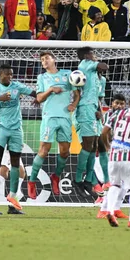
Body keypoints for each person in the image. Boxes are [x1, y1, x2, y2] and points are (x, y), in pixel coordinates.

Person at [0, 64, 36, 212]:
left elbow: (35, 93)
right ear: (0, 74)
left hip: (17, 130)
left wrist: (43, 96)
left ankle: (12, 196)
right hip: (1, 131)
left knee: (16, 163)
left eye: (11, 74)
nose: (10, 77)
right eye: (7, 74)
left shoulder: (17, 86)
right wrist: (0, 98)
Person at [27, 51, 80, 200]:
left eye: (46, 58)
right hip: (49, 117)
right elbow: (39, 98)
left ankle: (56, 177)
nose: (44, 61)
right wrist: (50, 90)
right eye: (42, 60)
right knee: (44, 150)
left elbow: (77, 93)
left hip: (64, 117)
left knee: (64, 152)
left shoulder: (67, 74)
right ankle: (32, 181)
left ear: (54, 59)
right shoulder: (42, 77)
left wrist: (74, 104)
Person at [100, 92, 130, 228]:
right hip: (129, 157)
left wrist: (109, 146)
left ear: (129, 103)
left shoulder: (116, 114)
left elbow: (103, 132)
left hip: (113, 155)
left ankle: (109, 211)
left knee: (114, 185)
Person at [73, 46, 108, 198]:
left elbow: (99, 98)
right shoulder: (85, 64)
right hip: (84, 108)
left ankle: (88, 180)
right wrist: (98, 63)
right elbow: (104, 66)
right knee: (88, 144)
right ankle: (77, 179)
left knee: (94, 145)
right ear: (87, 55)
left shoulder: (99, 78)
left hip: (93, 110)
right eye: (93, 53)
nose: (95, 56)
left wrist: (101, 112)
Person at [96, 94, 130, 219]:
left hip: (124, 152)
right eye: (117, 103)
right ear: (112, 104)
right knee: (113, 182)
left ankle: (116, 208)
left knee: (125, 182)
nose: (119, 106)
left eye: (122, 103)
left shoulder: (127, 117)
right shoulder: (108, 116)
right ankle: (103, 209)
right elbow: (103, 133)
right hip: (112, 153)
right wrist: (107, 147)